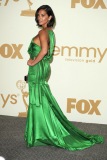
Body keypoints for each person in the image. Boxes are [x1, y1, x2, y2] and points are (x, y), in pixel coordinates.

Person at [24, 5, 104, 151]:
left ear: (50, 17)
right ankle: (41, 131)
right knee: (41, 100)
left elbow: (43, 51)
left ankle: (42, 133)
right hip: (44, 68)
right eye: (38, 15)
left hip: (38, 67)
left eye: (43, 15)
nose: (39, 18)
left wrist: (32, 62)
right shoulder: (50, 32)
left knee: (37, 100)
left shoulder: (42, 32)